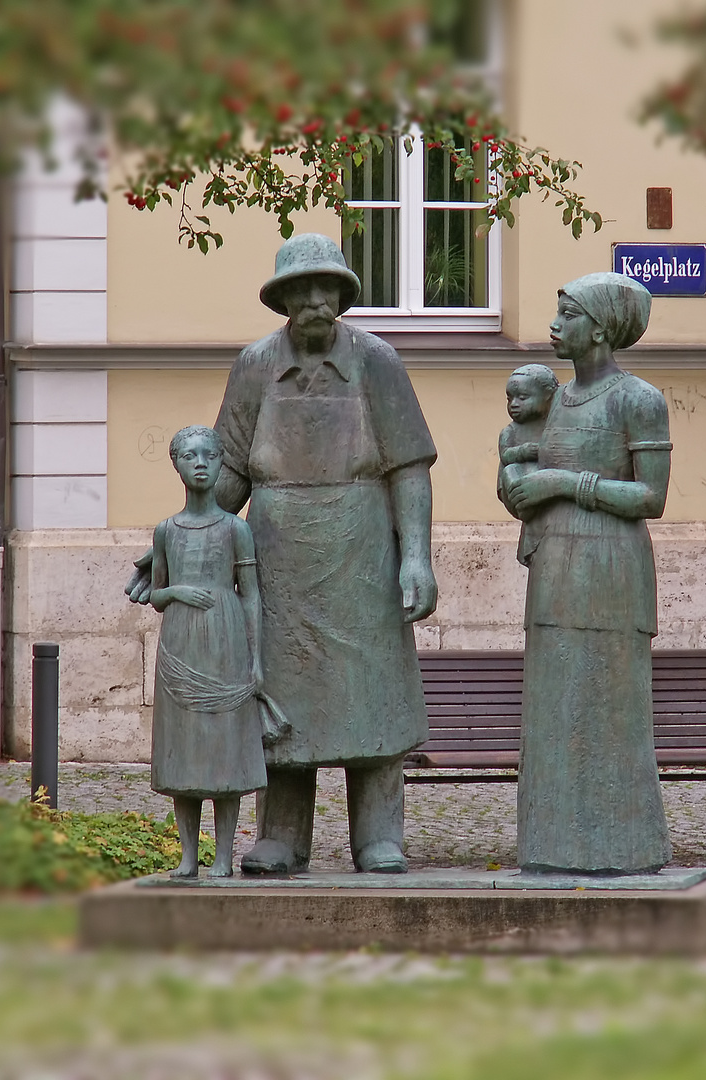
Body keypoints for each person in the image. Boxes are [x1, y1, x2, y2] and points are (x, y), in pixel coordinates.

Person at [127, 234, 437, 875]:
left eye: (327, 289)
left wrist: (416, 557)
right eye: (303, 291)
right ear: (284, 300)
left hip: (361, 549)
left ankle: (378, 835)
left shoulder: (377, 362)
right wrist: (180, 543)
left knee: (371, 692)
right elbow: (229, 470)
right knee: (281, 693)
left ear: (344, 297)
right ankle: (282, 835)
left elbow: (409, 467)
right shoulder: (255, 365)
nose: (316, 301)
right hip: (277, 554)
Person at [500, 272, 673, 874]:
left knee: (611, 709)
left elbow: (651, 498)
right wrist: (517, 483)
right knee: (554, 710)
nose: (553, 325)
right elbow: (520, 476)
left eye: (566, 314)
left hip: (612, 568)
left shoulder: (637, 400)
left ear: (598, 329)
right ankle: (551, 848)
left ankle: (626, 848)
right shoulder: (550, 403)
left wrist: (565, 484)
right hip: (553, 568)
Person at [148, 426, 274, 879]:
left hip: (226, 640)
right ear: (177, 465)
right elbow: (155, 594)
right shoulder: (166, 530)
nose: (199, 463)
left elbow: (252, 595)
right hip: (180, 640)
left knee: (224, 753)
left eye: (208, 455)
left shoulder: (236, 528)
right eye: (188, 455)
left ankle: (223, 856)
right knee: (183, 753)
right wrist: (179, 590)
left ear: (222, 463)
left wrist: (256, 661)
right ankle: (187, 856)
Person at [496, 363, 560, 567]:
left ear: (548, 397)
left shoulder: (556, 427)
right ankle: (526, 505)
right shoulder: (510, 432)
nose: (514, 404)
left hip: (548, 491)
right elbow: (506, 455)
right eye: (509, 398)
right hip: (519, 485)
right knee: (511, 471)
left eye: (523, 398)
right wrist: (525, 451)